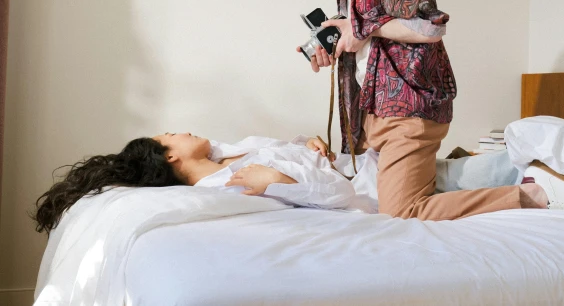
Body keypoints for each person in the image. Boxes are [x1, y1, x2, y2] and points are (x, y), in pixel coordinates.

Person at [264, 0, 564, 220]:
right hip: (373, 111)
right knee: (373, 193)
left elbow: (431, 26)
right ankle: (493, 168)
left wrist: (361, 28)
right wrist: (340, 43)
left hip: (409, 106)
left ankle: (531, 194)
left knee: (401, 210)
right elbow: (372, 35)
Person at [33, 132, 368, 235]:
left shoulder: (226, 152)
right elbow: (341, 193)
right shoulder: (230, 186)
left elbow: (283, 145)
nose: (184, 131)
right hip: (368, 180)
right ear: (170, 158)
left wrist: (309, 141)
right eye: (171, 136)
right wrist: (278, 180)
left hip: (358, 157)